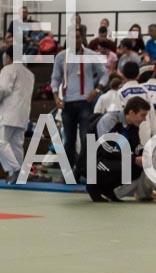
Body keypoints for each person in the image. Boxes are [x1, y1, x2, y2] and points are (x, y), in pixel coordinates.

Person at [51, 29, 108, 181]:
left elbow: (104, 74)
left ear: (82, 38)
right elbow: (55, 78)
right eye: (72, 37)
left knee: (85, 139)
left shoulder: (91, 55)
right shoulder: (61, 57)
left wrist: (97, 90)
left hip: (85, 102)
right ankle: (69, 174)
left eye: (77, 37)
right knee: (68, 141)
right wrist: (56, 96)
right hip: (67, 103)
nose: (75, 40)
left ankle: (85, 172)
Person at [88, 96, 150, 201]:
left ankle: (109, 190)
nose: (144, 119)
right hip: (95, 160)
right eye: (142, 115)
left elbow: (136, 145)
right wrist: (133, 159)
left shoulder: (133, 125)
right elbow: (105, 148)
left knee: (138, 167)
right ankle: (93, 186)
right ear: (131, 113)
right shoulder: (110, 120)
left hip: (111, 157)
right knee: (127, 165)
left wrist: (144, 155)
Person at [0, 48, 34, 183]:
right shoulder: (30, 74)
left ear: (8, 57)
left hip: (8, 112)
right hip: (22, 114)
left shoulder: (8, 69)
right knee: (16, 145)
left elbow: (3, 88)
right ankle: (19, 175)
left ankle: (15, 169)